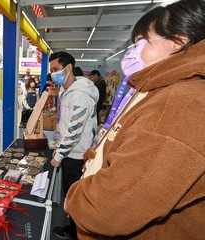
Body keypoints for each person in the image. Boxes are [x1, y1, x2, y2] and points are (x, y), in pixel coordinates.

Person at [65, 0, 205, 239]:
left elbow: (114, 206)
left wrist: (76, 199)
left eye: (143, 41)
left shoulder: (179, 101)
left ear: (177, 42)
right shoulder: (158, 88)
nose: (133, 51)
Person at [49, 51, 99, 240]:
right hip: (69, 151)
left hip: (77, 155)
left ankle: (75, 233)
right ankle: (71, 228)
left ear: (68, 68)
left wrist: (59, 156)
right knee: (69, 195)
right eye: (51, 70)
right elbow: (63, 123)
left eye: (56, 69)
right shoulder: (65, 90)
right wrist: (58, 145)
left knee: (76, 197)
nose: (53, 74)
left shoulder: (80, 95)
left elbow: (74, 130)